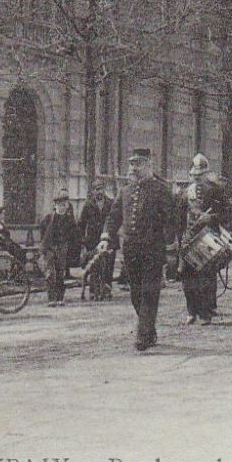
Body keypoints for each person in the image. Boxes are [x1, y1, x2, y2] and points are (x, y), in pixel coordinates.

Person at [96, 149, 176, 351]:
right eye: (131, 164)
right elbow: (114, 217)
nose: (133, 168)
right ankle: (148, 329)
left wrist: (170, 245)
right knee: (135, 293)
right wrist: (106, 237)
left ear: (149, 165)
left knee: (149, 291)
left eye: (138, 163)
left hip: (153, 249)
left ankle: (143, 335)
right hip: (130, 249)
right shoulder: (125, 191)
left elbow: (171, 220)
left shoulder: (161, 189)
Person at [178, 154, 229, 325]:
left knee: (206, 276)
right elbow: (178, 216)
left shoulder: (215, 191)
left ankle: (206, 312)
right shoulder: (186, 193)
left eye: (200, 174)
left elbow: (227, 214)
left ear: (206, 174)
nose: (197, 177)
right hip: (190, 237)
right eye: (195, 175)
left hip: (208, 237)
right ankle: (191, 310)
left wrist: (212, 218)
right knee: (187, 275)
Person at [39, 190, 79, 305]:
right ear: (55, 206)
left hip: (62, 248)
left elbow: (74, 234)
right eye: (59, 205)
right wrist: (44, 248)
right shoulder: (48, 218)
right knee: (50, 273)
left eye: (64, 205)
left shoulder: (69, 219)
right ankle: (51, 298)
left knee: (61, 273)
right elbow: (43, 232)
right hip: (50, 248)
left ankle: (60, 298)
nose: (62, 207)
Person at [79, 179, 115, 299]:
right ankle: (94, 291)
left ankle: (107, 289)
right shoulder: (88, 205)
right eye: (96, 189)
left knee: (109, 265)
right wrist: (83, 241)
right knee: (94, 266)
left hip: (109, 240)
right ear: (93, 191)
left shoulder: (111, 203)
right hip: (92, 240)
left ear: (104, 189)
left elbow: (115, 221)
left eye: (100, 189)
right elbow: (81, 224)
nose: (99, 192)